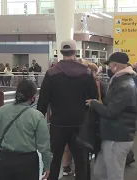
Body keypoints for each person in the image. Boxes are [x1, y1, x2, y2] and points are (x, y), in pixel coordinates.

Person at [37, 39, 98, 180]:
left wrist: (38, 125)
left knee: (54, 160)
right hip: (80, 124)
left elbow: (43, 102)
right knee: (81, 162)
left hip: (58, 124)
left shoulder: (51, 73)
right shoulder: (87, 73)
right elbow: (94, 98)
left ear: (60, 53)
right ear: (75, 52)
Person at [86, 52, 137, 180]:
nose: (109, 69)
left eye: (110, 65)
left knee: (114, 175)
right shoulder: (123, 82)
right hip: (113, 136)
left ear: (115, 65)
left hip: (117, 137)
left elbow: (111, 112)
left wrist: (94, 104)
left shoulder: (123, 85)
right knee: (100, 172)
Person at [0, 80, 52, 180]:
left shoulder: (1, 112)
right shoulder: (37, 116)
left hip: (4, 160)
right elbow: (44, 146)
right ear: (33, 97)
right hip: (27, 163)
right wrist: (47, 166)